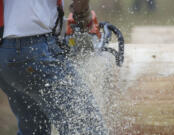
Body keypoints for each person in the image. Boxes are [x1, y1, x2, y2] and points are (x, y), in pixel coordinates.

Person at [0, 0, 108, 135]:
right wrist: (83, 17)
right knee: (87, 128)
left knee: (34, 131)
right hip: (35, 50)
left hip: (6, 56)